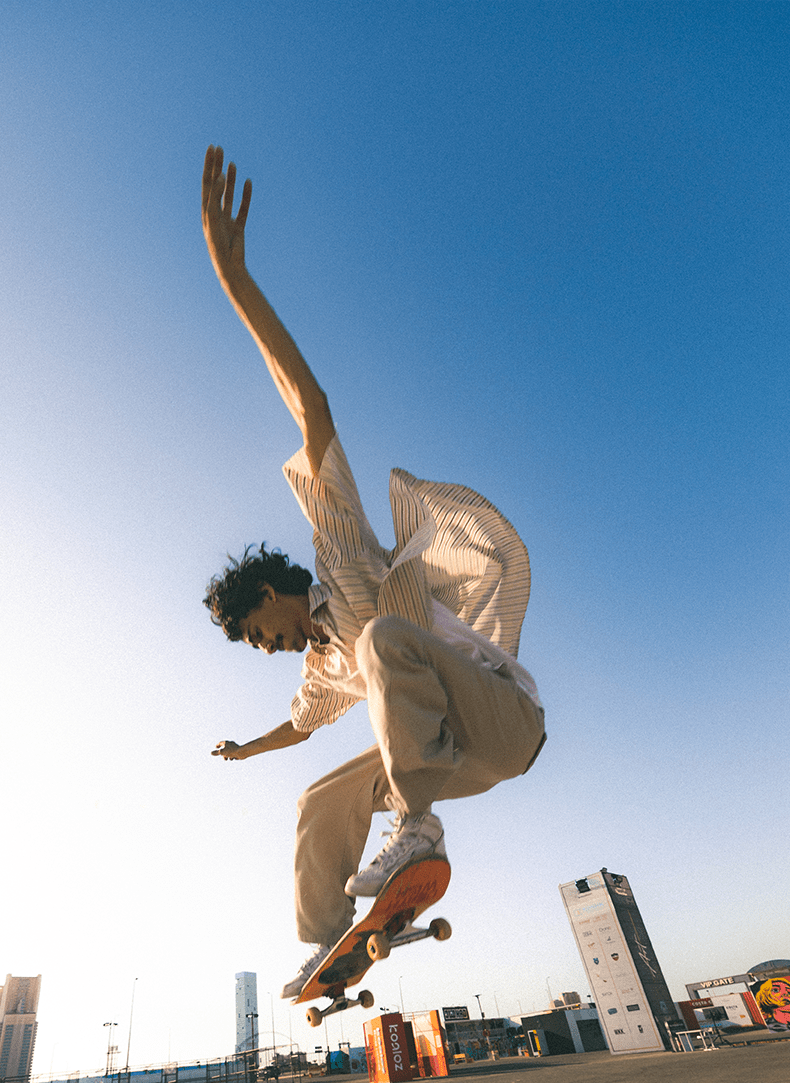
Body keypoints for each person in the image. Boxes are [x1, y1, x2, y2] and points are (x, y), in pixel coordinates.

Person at [200, 146, 547, 999]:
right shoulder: (322, 666)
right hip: (449, 754)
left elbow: (310, 407)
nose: (268, 646)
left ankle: (415, 828)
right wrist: (249, 748)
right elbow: (304, 724)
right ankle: (328, 950)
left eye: (258, 631)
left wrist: (237, 285)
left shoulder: (341, 551)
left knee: (388, 639)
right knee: (320, 798)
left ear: (272, 593)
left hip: (505, 719)